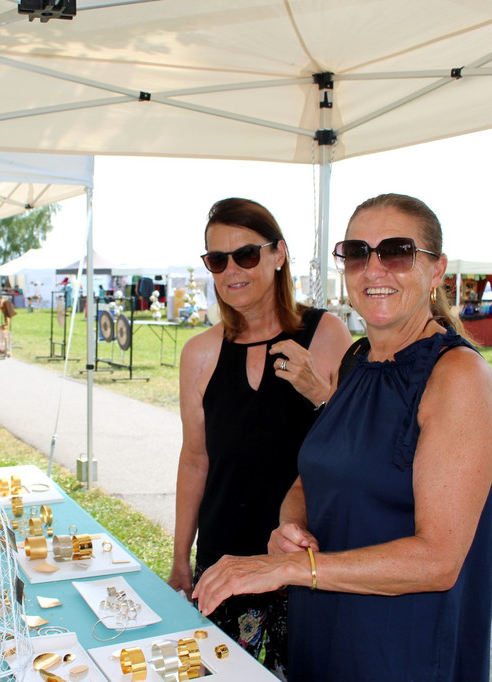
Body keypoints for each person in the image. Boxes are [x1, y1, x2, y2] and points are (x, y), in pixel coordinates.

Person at [193, 193, 492, 681]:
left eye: (396, 252)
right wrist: (289, 529)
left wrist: (291, 571)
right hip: (324, 630)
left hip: (401, 646)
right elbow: (310, 476)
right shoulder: (357, 361)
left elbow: (439, 560)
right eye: (357, 253)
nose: (373, 269)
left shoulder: (457, 375)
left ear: (437, 269)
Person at [171, 197, 351, 678]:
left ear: (279, 254)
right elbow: (195, 461)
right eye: (217, 260)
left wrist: (320, 393)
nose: (232, 270)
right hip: (223, 561)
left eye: (246, 255)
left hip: (305, 559)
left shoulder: (327, 334)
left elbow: (355, 444)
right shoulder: (201, 353)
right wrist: (180, 561)